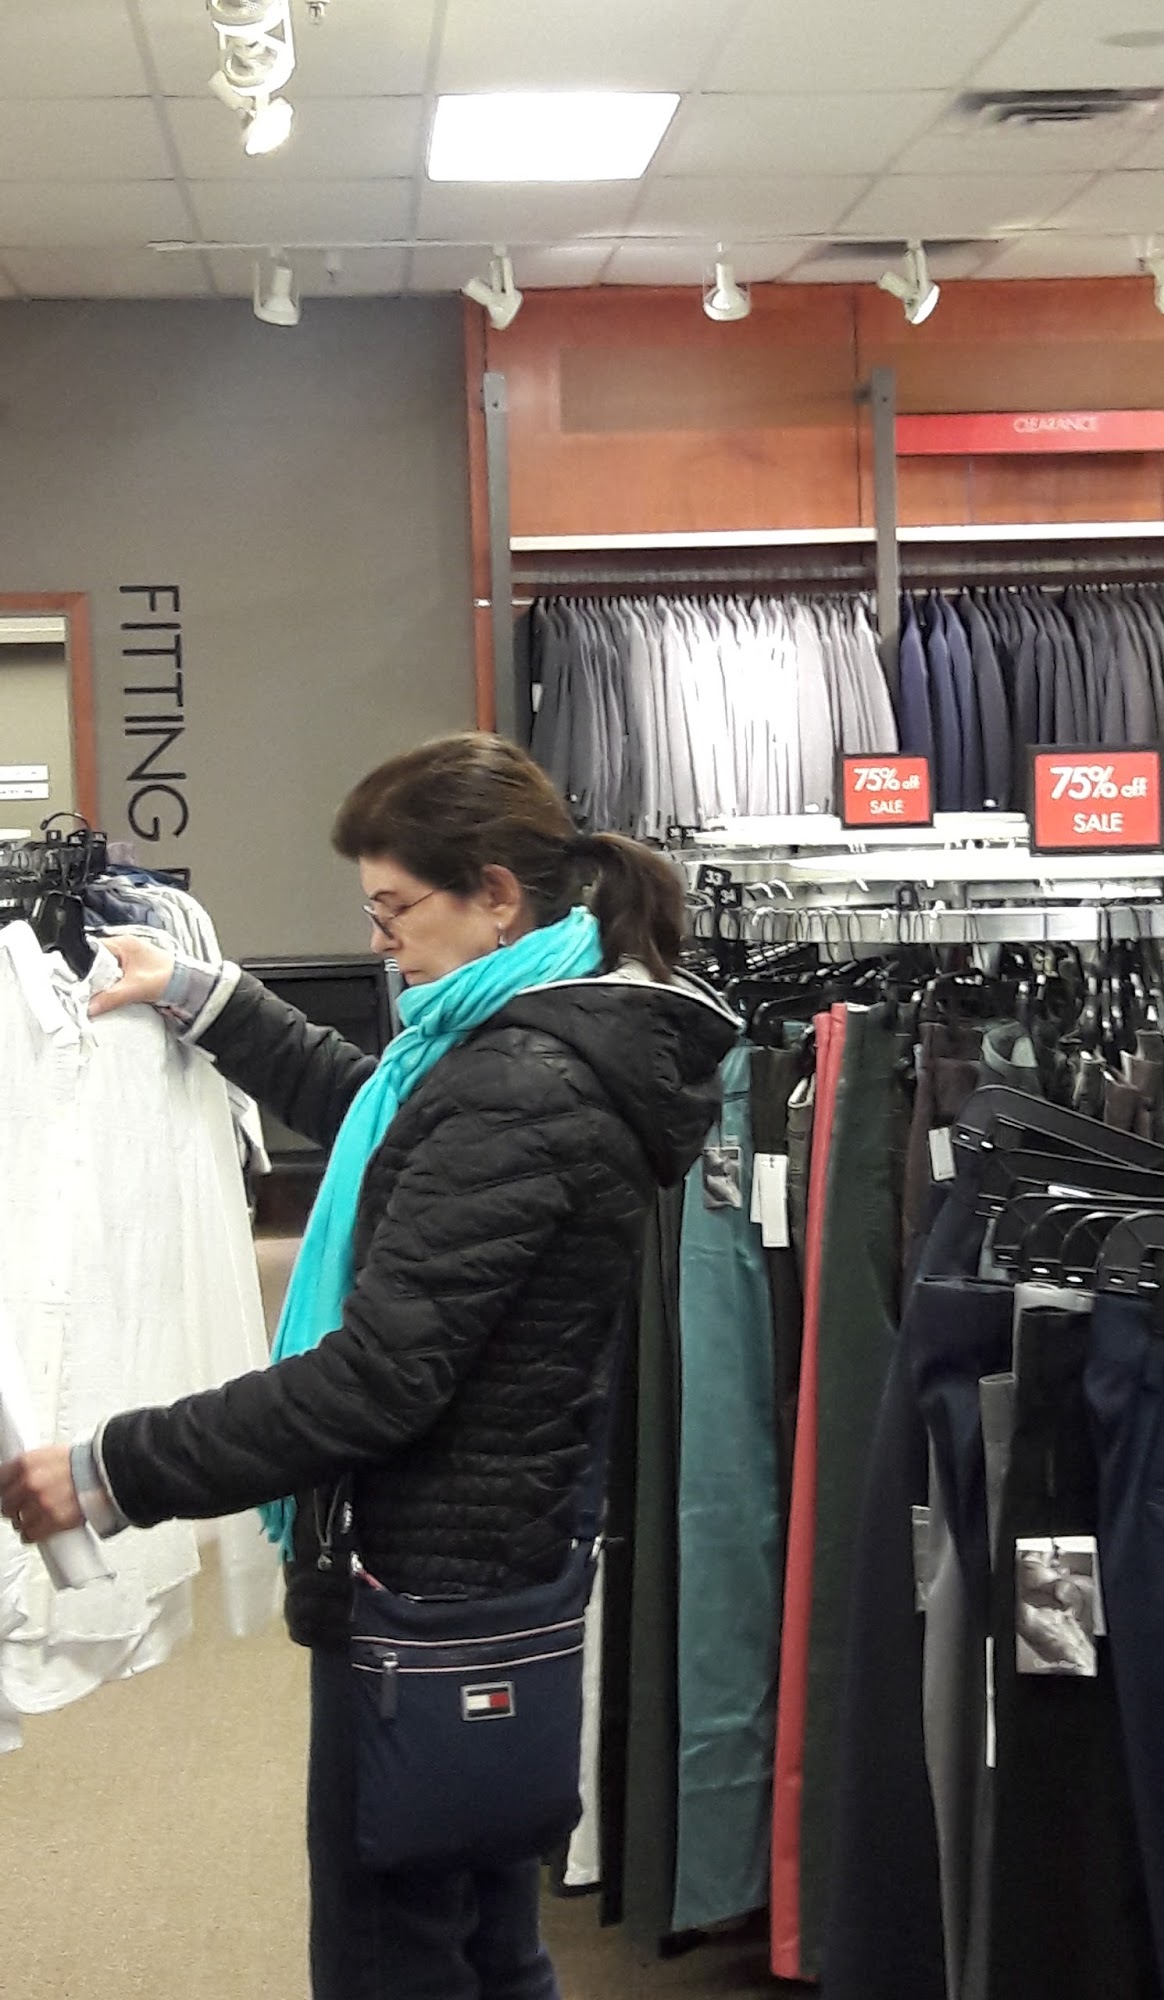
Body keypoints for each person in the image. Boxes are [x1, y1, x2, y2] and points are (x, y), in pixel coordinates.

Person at [0, 732, 738, 2000]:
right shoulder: (528, 1034)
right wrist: (208, 998)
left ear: (493, 892)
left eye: (395, 909)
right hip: (491, 1554)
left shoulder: (520, 1077)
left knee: (395, 1950)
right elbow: (396, 1129)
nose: (383, 943)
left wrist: (112, 1467)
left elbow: (376, 1378)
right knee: (484, 1933)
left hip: (430, 1579)